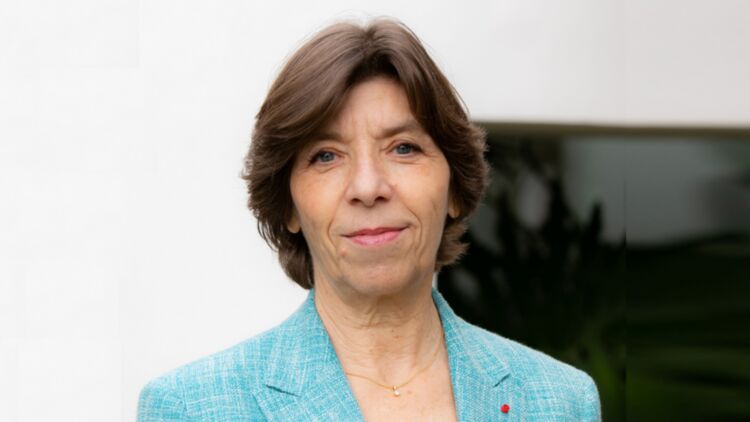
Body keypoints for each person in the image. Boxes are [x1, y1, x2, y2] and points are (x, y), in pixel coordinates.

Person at [138, 18, 601, 421]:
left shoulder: (560, 402)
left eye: (404, 148)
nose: (367, 186)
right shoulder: (191, 408)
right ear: (288, 205)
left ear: (455, 188)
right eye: (325, 156)